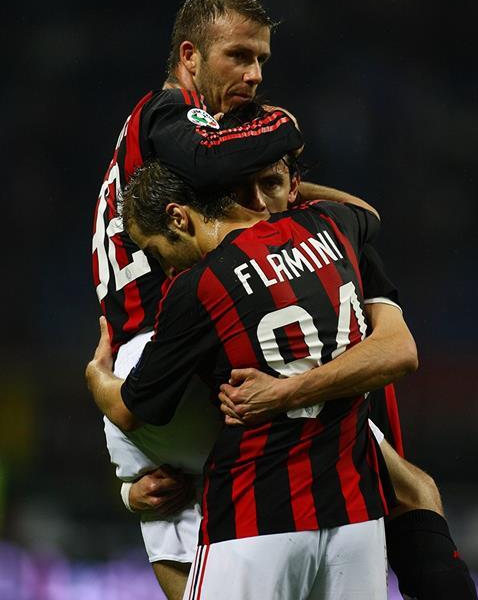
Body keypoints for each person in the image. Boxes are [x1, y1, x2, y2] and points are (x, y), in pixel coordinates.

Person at [92, 0, 477, 599]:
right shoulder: (168, 119)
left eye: (263, 60)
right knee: (408, 488)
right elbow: (232, 168)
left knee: (173, 521)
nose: (254, 73)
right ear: (189, 58)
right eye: (238, 57)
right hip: (180, 359)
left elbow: (355, 215)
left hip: (153, 367)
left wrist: (314, 202)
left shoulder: (174, 170)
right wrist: (285, 130)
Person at [87, 156, 420, 600]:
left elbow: (132, 410)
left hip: (256, 516)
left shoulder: (198, 287)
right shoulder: (329, 226)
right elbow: (367, 215)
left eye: (155, 251)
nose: (164, 268)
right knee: (420, 490)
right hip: (354, 516)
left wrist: (97, 377)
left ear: (178, 217)